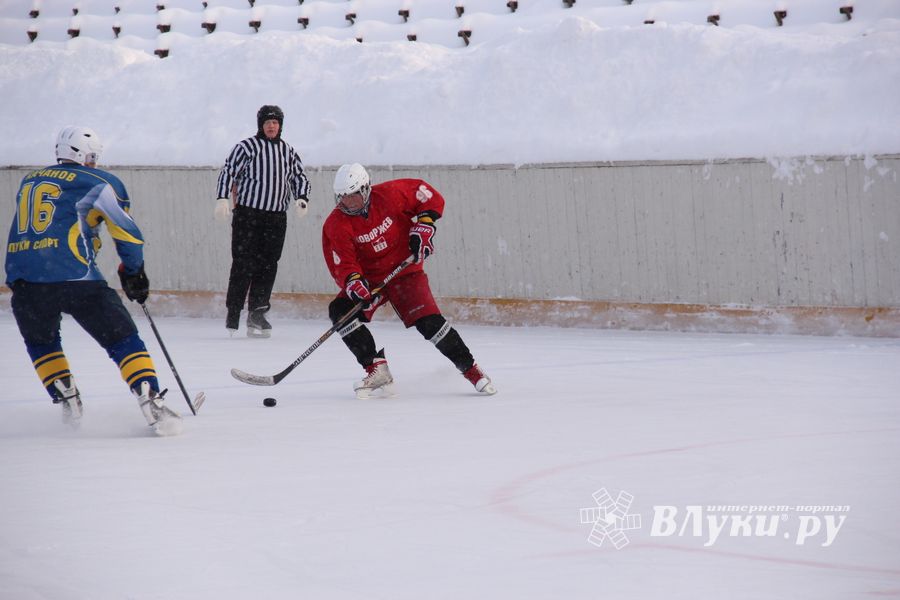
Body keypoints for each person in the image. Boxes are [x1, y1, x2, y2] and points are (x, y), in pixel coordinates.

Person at [4, 126, 181, 435]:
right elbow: (126, 233)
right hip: (76, 278)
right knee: (122, 339)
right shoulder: (101, 182)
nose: (95, 162)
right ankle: (148, 395)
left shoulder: (29, 181)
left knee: (41, 342)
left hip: (25, 282)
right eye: (93, 156)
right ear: (84, 155)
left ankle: (66, 397)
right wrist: (134, 272)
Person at [322, 163, 497, 399]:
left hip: (405, 272)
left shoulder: (391, 194)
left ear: (365, 189)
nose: (347, 202)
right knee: (340, 310)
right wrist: (354, 283)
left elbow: (427, 194)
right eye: (342, 197)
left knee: (429, 322)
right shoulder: (336, 224)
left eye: (352, 196)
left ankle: (472, 370)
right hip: (372, 281)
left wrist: (425, 224)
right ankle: (377, 368)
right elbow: (342, 263)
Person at [215, 105, 311, 338]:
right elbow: (228, 171)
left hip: (276, 218)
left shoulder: (288, 151)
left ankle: (257, 313)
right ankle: (234, 312)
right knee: (243, 264)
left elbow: (299, 176)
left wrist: (301, 197)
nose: (271, 126)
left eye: (275, 122)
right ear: (260, 125)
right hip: (248, 215)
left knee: (268, 265)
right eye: (267, 122)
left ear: (280, 125)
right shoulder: (247, 148)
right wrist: (222, 198)